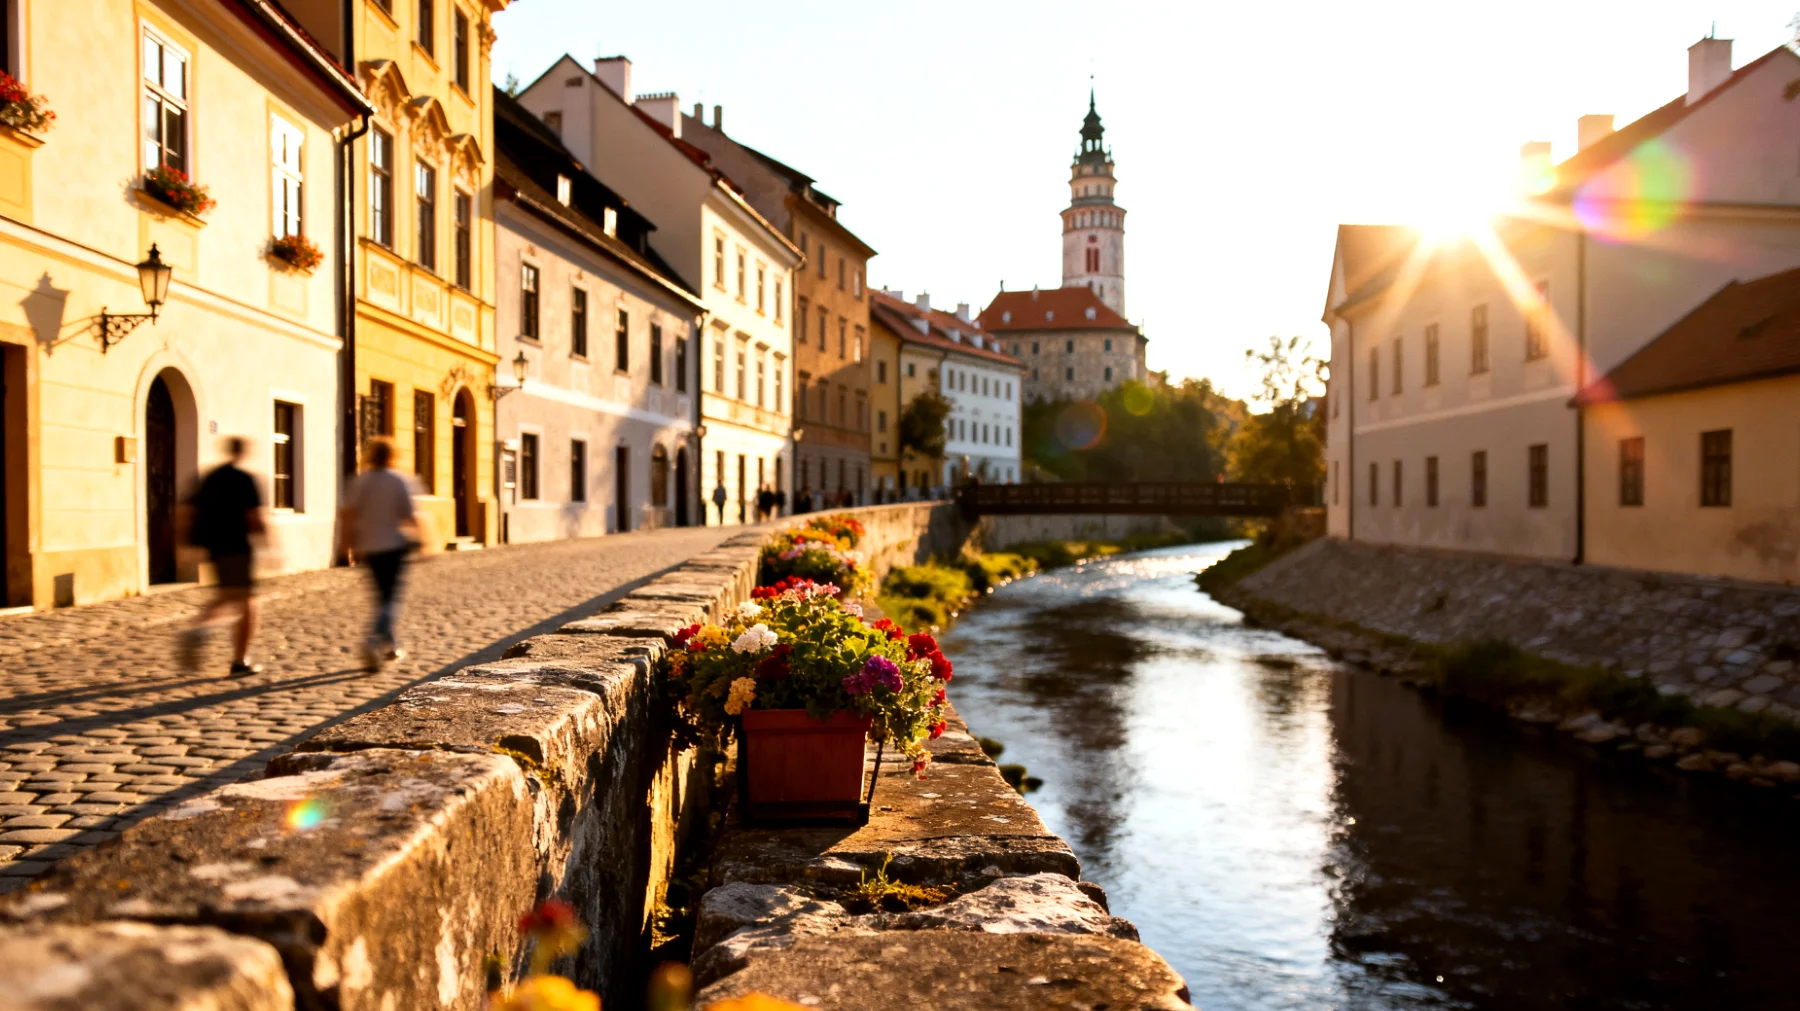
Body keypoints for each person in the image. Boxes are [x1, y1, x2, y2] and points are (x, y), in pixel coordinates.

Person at [178, 438, 268, 676]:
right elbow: (254, 516)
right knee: (248, 602)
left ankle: (200, 629)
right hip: (238, 546)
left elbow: (186, 512)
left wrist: (184, 545)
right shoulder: (245, 479)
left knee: (228, 596)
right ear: (243, 452)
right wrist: (269, 546)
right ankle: (237, 658)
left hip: (216, 547)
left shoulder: (209, 478)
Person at [340, 438, 421, 672]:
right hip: (393, 546)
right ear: (392, 456)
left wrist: (346, 545)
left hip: (368, 548)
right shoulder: (398, 480)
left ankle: (391, 646)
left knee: (382, 597)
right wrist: (425, 541)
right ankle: (373, 640)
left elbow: (348, 515)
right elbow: (410, 515)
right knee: (390, 599)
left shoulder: (360, 480)